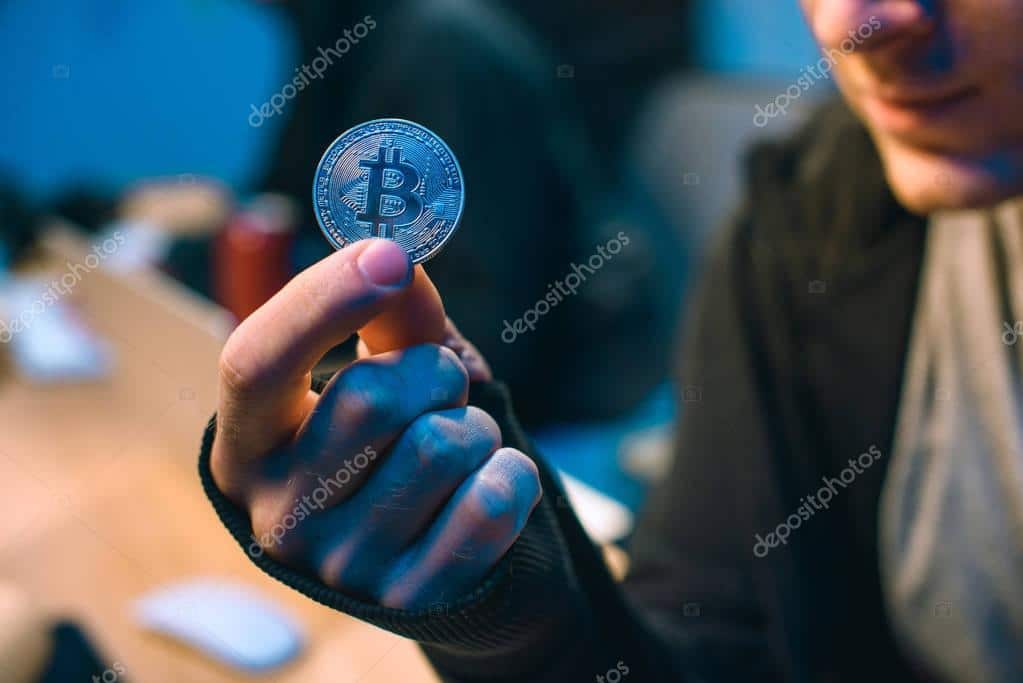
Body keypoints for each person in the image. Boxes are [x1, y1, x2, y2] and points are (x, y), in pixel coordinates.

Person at [198, 0, 1023, 681]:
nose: (849, 23)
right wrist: (505, 604)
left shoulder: (451, 49)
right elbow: (715, 649)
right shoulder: (811, 206)